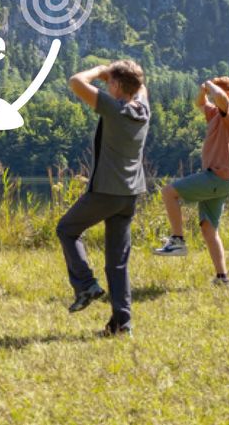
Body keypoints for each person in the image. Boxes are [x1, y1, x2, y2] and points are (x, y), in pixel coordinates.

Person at [57, 60, 150, 337]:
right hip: (129, 195)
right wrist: (120, 75)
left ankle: (86, 285)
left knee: (67, 229)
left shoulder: (115, 108)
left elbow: (75, 82)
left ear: (118, 85)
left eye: (111, 83)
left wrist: (99, 71)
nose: (107, 86)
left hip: (106, 191)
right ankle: (122, 325)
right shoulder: (143, 110)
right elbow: (141, 87)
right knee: (117, 262)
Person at [153, 77, 229, 286]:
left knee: (169, 192)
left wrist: (211, 85)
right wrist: (203, 91)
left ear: (228, 94)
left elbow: (221, 98)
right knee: (208, 229)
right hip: (219, 179)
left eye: (217, 91)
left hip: (218, 177)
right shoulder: (216, 114)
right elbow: (200, 103)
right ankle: (222, 278)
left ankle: (177, 241)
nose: (213, 94)